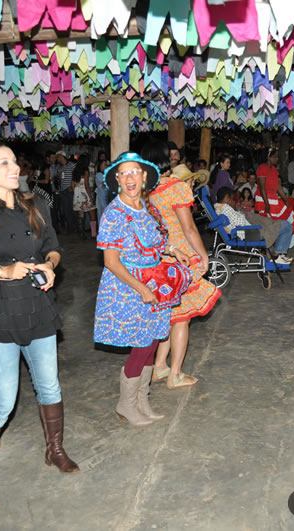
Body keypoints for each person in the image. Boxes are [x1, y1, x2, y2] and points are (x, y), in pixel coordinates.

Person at [0, 141, 79, 506]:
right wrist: (2, 271)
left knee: (50, 387)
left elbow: (53, 247)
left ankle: (54, 449)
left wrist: (49, 266)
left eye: (14, 162)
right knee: (3, 401)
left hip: (37, 308)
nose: (15, 168)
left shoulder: (34, 205)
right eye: (4, 163)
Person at [94, 152, 192, 425]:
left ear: (144, 176)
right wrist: (141, 289)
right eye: (124, 173)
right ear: (116, 179)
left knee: (152, 343)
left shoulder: (144, 207)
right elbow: (111, 262)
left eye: (134, 172)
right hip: (129, 287)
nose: (130, 178)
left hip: (153, 282)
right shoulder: (114, 213)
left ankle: (142, 400)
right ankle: (126, 404)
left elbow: (154, 241)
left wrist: (172, 250)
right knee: (141, 346)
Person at [145, 145, 221, 389]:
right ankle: (175, 374)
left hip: (159, 258)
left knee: (171, 315)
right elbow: (189, 228)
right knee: (181, 318)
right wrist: (203, 255)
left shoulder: (147, 191)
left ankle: (159, 366)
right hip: (181, 259)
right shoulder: (175, 188)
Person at [215, 187, 294, 258]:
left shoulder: (219, 209)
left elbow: (237, 221)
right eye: (232, 199)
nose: (233, 201)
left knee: (274, 223)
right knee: (286, 226)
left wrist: (240, 212)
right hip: (249, 233)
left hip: (245, 231)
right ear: (227, 198)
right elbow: (240, 224)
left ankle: (276, 252)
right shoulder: (226, 209)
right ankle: (279, 255)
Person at [254, 148, 294, 249]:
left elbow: (278, 187)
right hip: (263, 200)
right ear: (269, 157)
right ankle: (273, 247)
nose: (277, 159)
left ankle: (279, 247)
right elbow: (262, 187)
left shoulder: (274, 169)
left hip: (272, 200)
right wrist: (266, 204)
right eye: (275, 157)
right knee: (271, 224)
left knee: (288, 217)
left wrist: (286, 200)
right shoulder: (262, 168)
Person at [71, 160, 98, 239]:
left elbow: (72, 185)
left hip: (77, 194)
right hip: (85, 194)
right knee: (92, 215)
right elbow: (86, 185)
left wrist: (76, 192)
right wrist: (90, 197)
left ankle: (81, 234)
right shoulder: (85, 171)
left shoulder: (75, 171)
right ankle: (93, 234)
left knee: (81, 215)